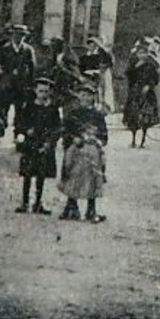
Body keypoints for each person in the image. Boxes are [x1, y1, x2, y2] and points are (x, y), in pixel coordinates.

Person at [59, 80, 108, 222]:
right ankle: (71, 205)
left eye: (89, 95)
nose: (85, 98)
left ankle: (91, 208)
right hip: (76, 147)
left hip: (92, 148)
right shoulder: (72, 114)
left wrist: (97, 141)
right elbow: (64, 132)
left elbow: (104, 136)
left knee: (93, 171)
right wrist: (73, 139)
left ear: (93, 97)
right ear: (78, 96)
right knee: (73, 170)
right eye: (83, 95)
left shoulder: (98, 116)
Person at [14, 76, 62, 214]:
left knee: (41, 174)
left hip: (44, 144)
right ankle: (25, 202)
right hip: (30, 143)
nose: (44, 95)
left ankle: (38, 203)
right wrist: (25, 130)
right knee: (28, 174)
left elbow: (57, 128)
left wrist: (50, 142)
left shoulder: (52, 109)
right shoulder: (29, 106)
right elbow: (19, 123)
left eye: (46, 92)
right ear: (35, 91)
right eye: (41, 91)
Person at [123, 38, 160, 147]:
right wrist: (135, 67)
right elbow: (128, 75)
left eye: (144, 53)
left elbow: (156, 79)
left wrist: (149, 86)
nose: (142, 55)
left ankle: (143, 140)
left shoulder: (151, 65)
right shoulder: (133, 63)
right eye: (140, 53)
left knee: (145, 117)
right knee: (133, 117)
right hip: (135, 93)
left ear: (147, 54)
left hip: (147, 93)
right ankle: (134, 139)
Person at [0, 24, 38, 113]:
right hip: (7, 83)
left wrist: (30, 83)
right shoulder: (4, 49)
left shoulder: (28, 50)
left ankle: (18, 125)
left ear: (25, 37)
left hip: (22, 83)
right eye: (16, 34)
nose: (19, 37)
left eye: (22, 35)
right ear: (12, 35)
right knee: (4, 107)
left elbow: (32, 67)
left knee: (20, 108)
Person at [80, 35, 115, 113]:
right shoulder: (85, 56)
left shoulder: (100, 55)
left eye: (93, 45)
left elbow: (108, 62)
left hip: (99, 75)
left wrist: (99, 71)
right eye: (89, 45)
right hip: (88, 77)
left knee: (101, 91)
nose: (91, 47)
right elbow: (82, 68)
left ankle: (102, 107)